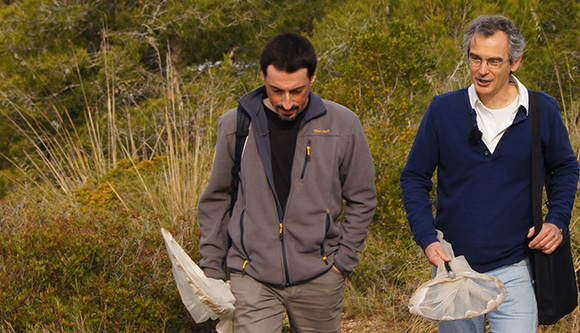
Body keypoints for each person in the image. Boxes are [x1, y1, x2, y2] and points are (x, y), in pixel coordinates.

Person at [401, 15, 579, 332]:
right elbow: (414, 176)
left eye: (494, 61)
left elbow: (565, 167)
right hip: (454, 268)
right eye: (476, 58)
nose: (483, 70)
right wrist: (427, 239)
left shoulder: (542, 110)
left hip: (517, 267)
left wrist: (557, 220)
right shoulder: (443, 110)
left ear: (516, 62)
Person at [197, 32, 377, 332]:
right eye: (276, 90)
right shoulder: (235, 125)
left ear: (314, 77)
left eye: (297, 90)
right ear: (262, 77)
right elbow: (217, 199)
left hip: (320, 276)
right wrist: (212, 273)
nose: (287, 102)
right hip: (251, 276)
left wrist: (342, 262)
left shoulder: (343, 125)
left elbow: (363, 197)